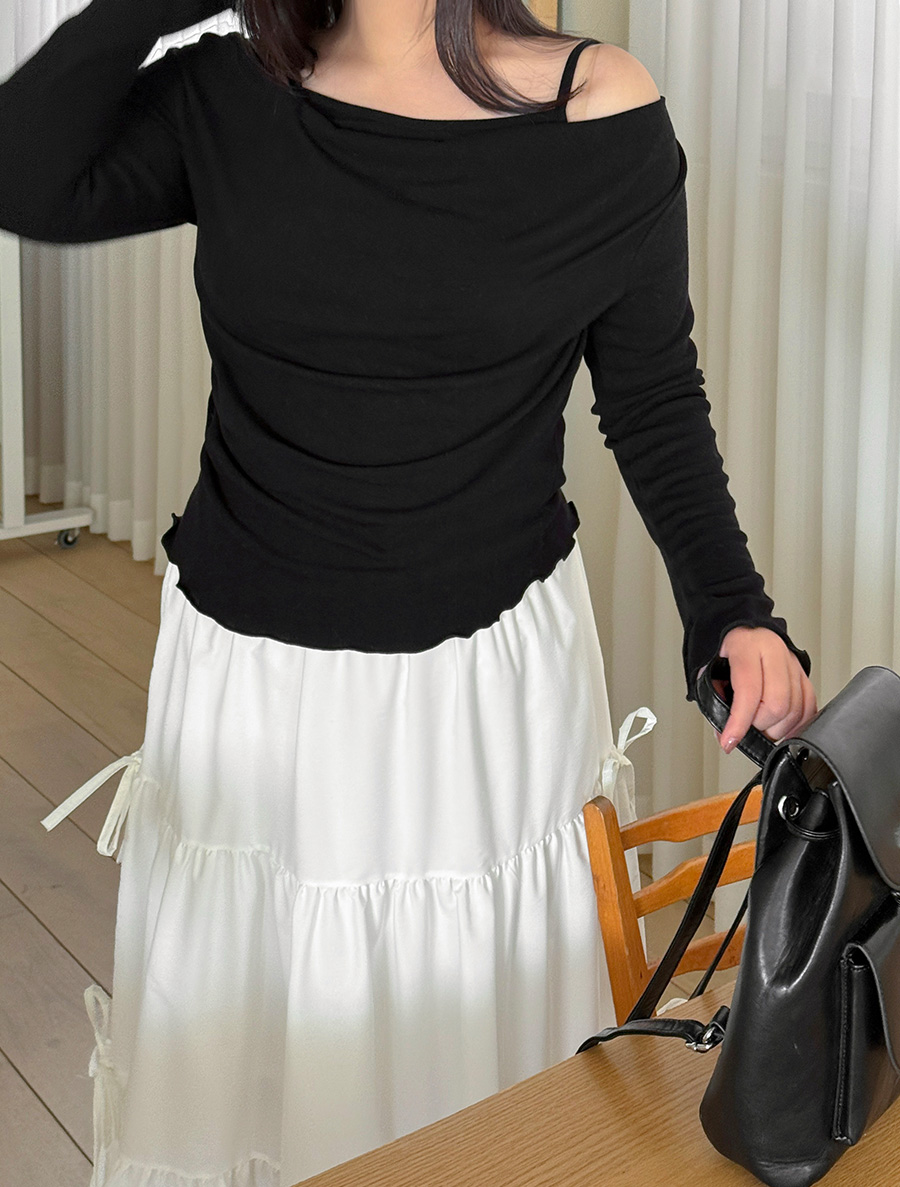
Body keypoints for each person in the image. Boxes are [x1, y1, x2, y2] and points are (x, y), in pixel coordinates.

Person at [0, 0, 818, 1182]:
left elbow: (652, 397)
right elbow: (25, 175)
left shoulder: (597, 109)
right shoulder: (230, 90)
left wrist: (732, 609)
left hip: (482, 689)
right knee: (264, 1048)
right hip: (252, 682)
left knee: (477, 1065)